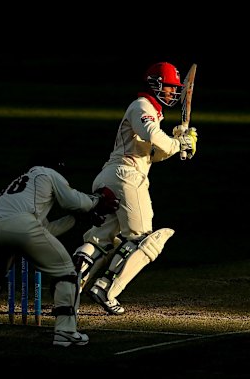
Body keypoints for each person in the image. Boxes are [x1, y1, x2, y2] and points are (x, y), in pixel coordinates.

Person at [72, 61, 198, 315]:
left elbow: (152, 152)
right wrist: (178, 143)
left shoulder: (149, 110)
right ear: (156, 85)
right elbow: (151, 134)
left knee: (100, 237)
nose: (173, 93)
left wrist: (179, 141)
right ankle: (106, 289)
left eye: (176, 89)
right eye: (170, 88)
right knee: (143, 239)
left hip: (112, 175)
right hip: (126, 176)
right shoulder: (142, 106)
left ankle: (69, 289)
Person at [0, 153, 119, 346]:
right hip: (22, 226)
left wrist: (76, 220)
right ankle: (66, 330)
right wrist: (97, 199)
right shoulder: (46, 172)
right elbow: (74, 202)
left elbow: (44, 230)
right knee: (67, 273)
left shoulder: (21, 187)